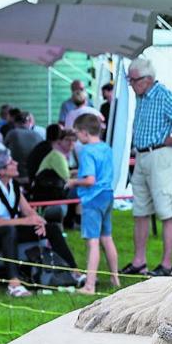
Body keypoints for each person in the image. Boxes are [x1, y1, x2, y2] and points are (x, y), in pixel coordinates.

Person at [119, 57, 172, 277]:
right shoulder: (142, 96)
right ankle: (139, 261)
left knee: (167, 211)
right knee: (140, 210)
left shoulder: (161, 93)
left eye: (133, 80)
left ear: (147, 79)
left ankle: (166, 264)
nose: (131, 85)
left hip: (160, 155)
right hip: (143, 155)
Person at [0, 148, 81, 297]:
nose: (15, 163)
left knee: (52, 228)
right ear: (1, 171)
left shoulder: (13, 185)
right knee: (9, 230)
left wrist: (39, 221)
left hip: (9, 229)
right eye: (10, 162)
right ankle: (14, 284)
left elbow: (28, 210)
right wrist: (26, 221)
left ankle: (75, 272)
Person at [68, 114, 119, 295]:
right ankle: (115, 278)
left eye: (76, 134)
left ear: (84, 132)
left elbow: (90, 180)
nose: (76, 138)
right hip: (107, 195)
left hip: (92, 198)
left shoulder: (87, 151)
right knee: (107, 238)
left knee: (93, 241)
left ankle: (89, 285)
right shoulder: (106, 147)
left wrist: (74, 181)